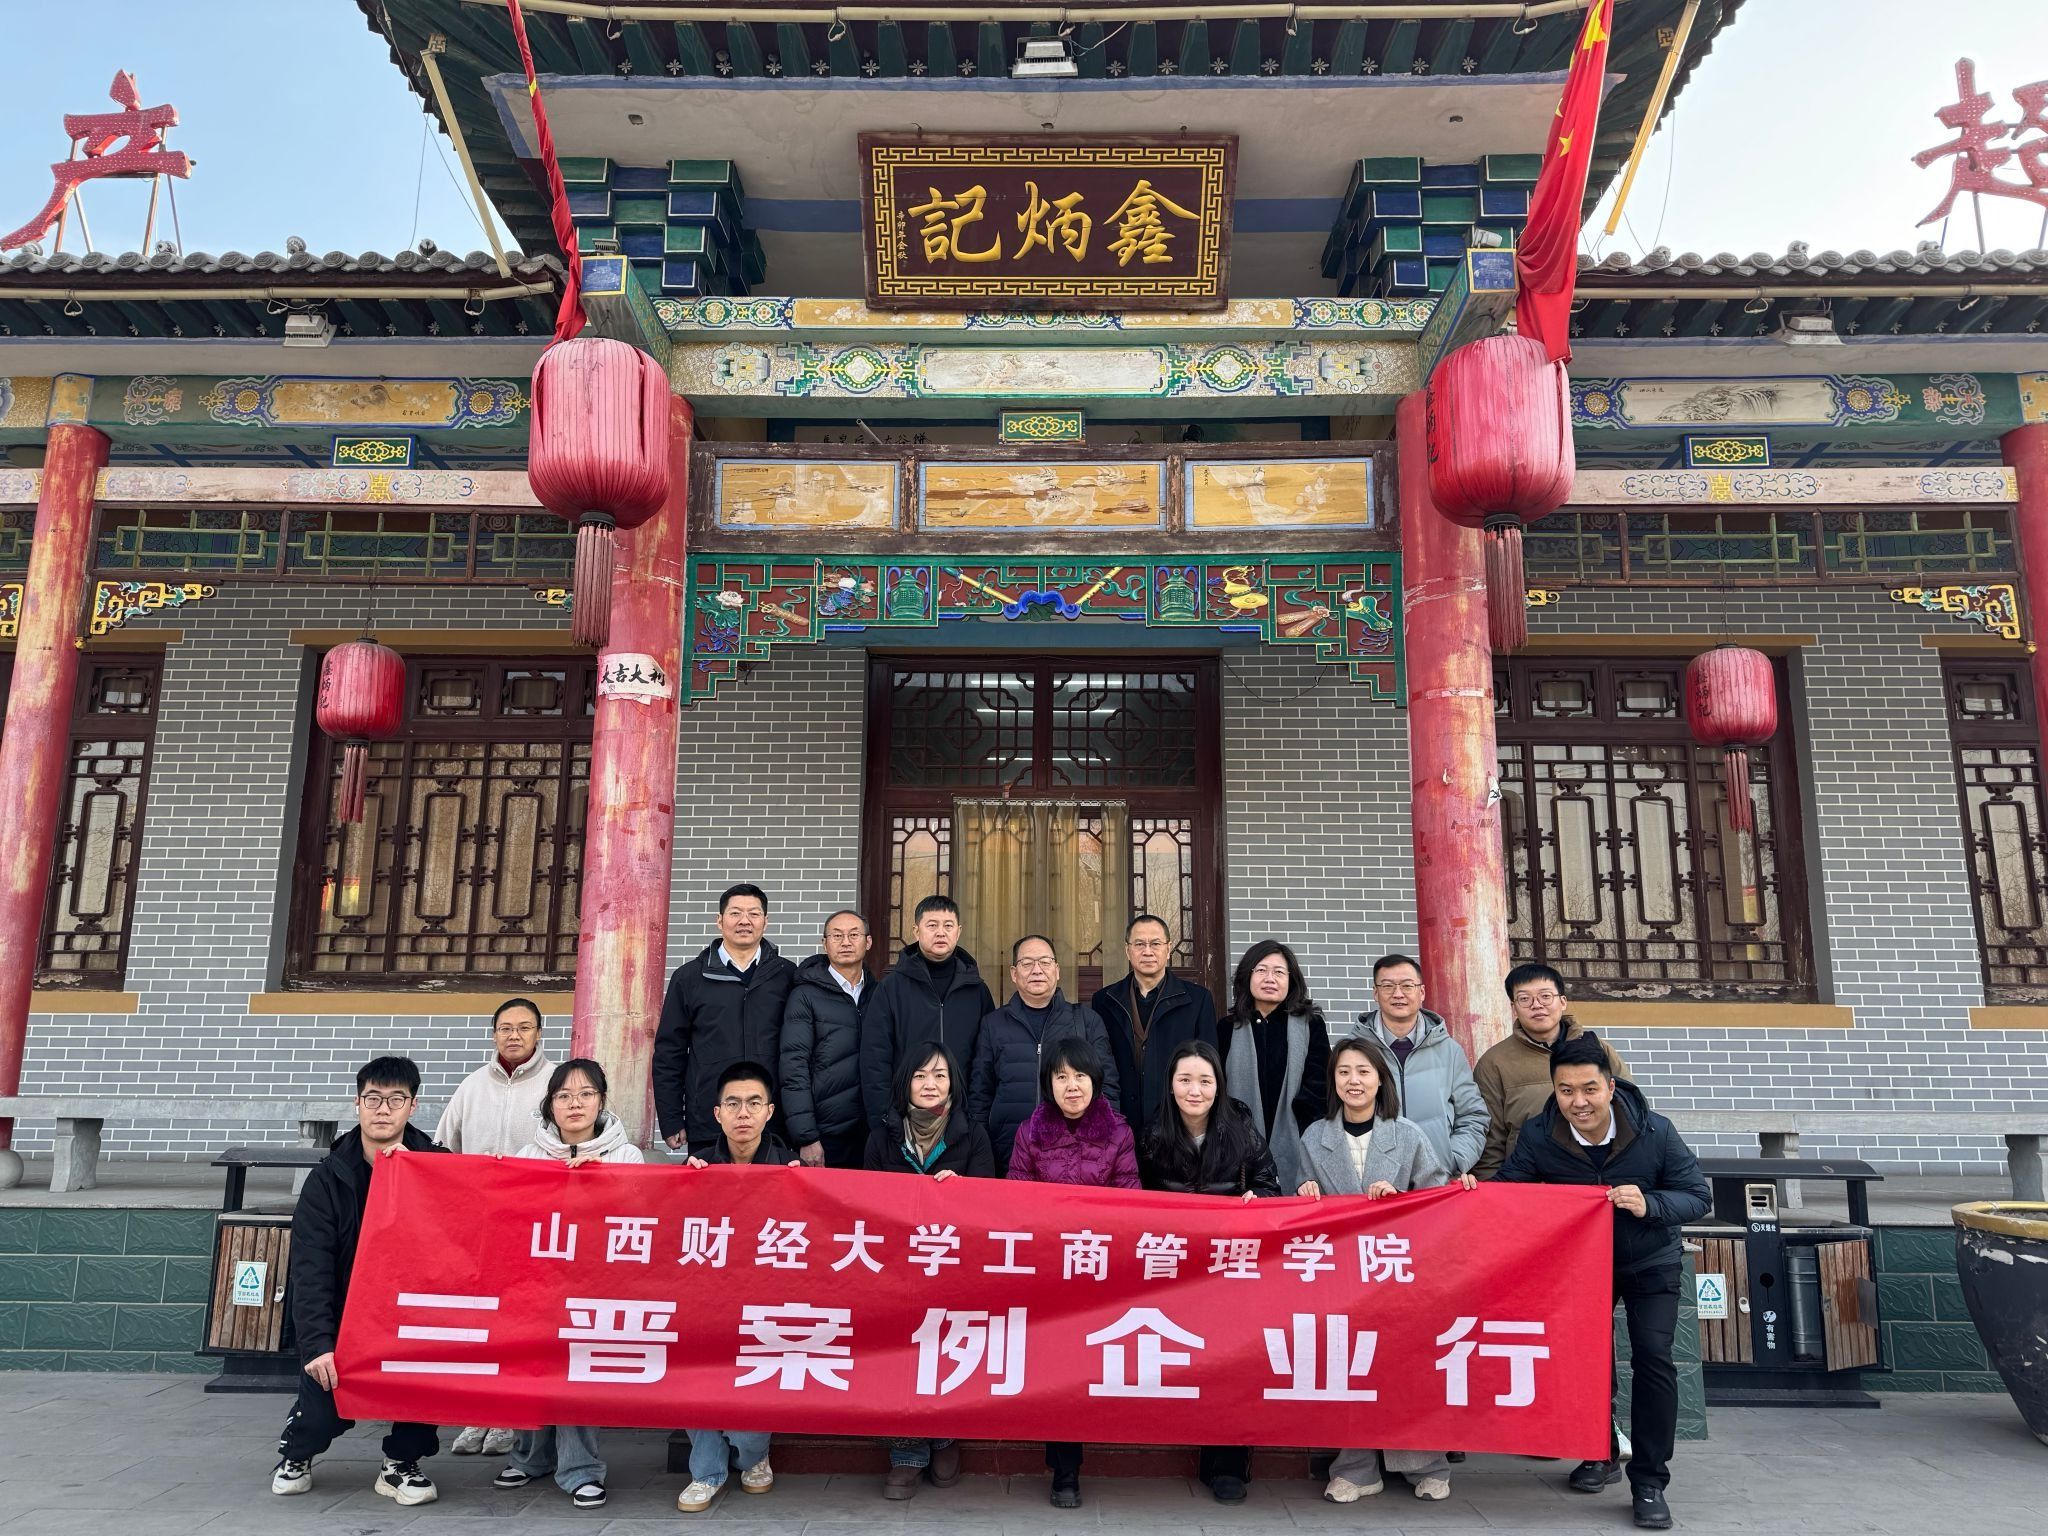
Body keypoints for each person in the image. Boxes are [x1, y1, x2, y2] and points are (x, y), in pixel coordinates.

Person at [1494, 1032, 1709, 1532]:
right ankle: (1600, 1450)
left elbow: (1698, 1196)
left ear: (1611, 1087)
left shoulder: (1654, 1130)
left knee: (1653, 1357)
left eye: (1589, 1089)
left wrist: (1650, 1204)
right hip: (1581, 1267)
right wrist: (1467, 1189)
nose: (1578, 1102)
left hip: (1651, 1261)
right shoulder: (1540, 1133)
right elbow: (1506, 1192)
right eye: (1566, 1090)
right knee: (1585, 1360)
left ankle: (1649, 1480)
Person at [1297, 1035, 1476, 1504]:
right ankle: (1355, 1468)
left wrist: (1400, 1203)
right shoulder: (1314, 1137)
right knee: (1350, 1366)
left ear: (1381, 1079)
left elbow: (1435, 1200)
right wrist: (1306, 1192)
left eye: (1363, 1071)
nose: (1353, 1081)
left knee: (1405, 1366)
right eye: (1343, 1072)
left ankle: (1426, 1464)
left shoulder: (1408, 1134)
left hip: (1398, 1270)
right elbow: (1300, 1199)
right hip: (1339, 1274)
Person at [271, 1056, 445, 1506]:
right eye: (373, 1099)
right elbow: (310, 1268)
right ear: (357, 1104)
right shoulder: (327, 1179)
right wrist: (318, 1344)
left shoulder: (441, 1168)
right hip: (346, 1316)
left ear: (413, 1106)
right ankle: (297, 1452)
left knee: (426, 1384)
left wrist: (423, 1179)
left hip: (412, 1315)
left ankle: (401, 1463)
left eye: (396, 1100)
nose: (383, 1109)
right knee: (323, 1412)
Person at [495, 1059, 643, 1511]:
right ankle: (529, 1457)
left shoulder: (626, 1156)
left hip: (596, 1284)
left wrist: (603, 1182)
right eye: (564, 1096)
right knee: (531, 1368)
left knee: (575, 1373)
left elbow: (641, 1219)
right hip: (537, 1282)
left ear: (601, 1101)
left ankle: (581, 1470)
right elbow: (512, 1217)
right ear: (550, 1105)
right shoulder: (529, 1155)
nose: (575, 1104)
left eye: (585, 1094)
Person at [1139, 1040, 1280, 1504]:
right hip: (1173, 1266)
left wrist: (1258, 1199)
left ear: (1218, 1085)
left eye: (1204, 1080)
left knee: (1229, 1361)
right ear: (1171, 1085)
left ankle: (1228, 1463)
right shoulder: (1153, 1133)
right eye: (1185, 1080)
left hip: (1228, 1266)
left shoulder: (1240, 1127)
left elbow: (1269, 1183)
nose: (1194, 1090)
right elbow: (1133, 1200)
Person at [1008, 1036, 1141, 1509]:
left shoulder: (1119, 1133)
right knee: (1058, 1368)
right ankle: (1065, 1470)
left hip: (1099, 1267)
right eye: (1061, 1076)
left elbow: (1130, 1201)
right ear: (1048, 1083)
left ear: (1095, 1081)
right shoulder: (1030, 1132)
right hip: (1047, 1269)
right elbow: (1015, 1202)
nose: (1071, 1086)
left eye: (1080, 1075)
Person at [863, 1041, 994, 1498]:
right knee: (899, 1350)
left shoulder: (973, 1136)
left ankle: (944, 1434)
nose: (930, 1084)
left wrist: (962, 1191)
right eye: (920, 1075)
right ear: (905, 1084)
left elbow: (990, 1209)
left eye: (939, 1075)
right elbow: (866, 1209)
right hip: (895, 1271)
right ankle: (906, 1450)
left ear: (953, 1083)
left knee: (947, 1346)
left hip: (953, 1269)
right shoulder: (881, 1138)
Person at [677, 1061, 800, 1512]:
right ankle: (706, 1472)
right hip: (708, 1302)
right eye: (733, 1104)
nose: (743, 1113)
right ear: (717, 1114)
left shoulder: (792, 1170)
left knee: (751, 1394)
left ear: (769, 1111)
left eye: (753, 1103)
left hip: (766, 1302)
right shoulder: (697, 1167)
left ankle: (753, 1454)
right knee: (696, 1376)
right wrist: (684, 1187)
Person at [436, 996, 554, 1459]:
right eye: (506, 1027)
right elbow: (443, 1150)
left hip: (534, 1223)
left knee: (520, 1322)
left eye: (524, 1027)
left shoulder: (555, 1084)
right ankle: (476, 1413)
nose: (514, 1035)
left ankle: (507, 1416)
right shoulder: (471, 1087)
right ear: (494, 1034)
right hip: (480, 1224)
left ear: (539, 1033)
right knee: (480, 1320)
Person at [654, 883, 797, 1156]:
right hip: (709, 1117)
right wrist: (671, 1117)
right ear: (719, 921)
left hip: (772, 1119)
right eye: (735, 913)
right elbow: (669, 1052)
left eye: (754, 914)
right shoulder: (689, 977)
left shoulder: (787, 975)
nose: (745, 921)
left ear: (766, 921)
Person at [969, 934, 1120, 1170]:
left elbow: (1107, 1086)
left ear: (1057, 970)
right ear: (1014, 973)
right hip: (1008, 1152)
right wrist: (981, 1150)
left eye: (1045, 962)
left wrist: (1100, 1147)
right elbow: (980, 1093)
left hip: (1076, 1158)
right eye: (1027, 963)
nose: (1037, 970)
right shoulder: (993, 1024)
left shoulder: (1086, 1021)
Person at [1473, 962, 1630, 1178]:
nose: (1537, 1005)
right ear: (1514, 1007)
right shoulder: (1494, 1062)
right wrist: (1492, 1187)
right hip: (1530, 1179)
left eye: (1545, 996)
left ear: (1562, 1001)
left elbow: (1630, 1110)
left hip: (1598, 1173)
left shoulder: (1598, 1049)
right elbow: (1490, 1140)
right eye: (1525, 999)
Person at [859, 894, 994, 1127]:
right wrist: (884, 1119)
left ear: (958, 932)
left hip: (961, 1118)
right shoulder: (891, 988)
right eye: (932, 925)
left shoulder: (977, 990)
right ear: (916, 931)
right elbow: (875, 1060)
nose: (941, 933)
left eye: (948, 926)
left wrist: (975, 1118)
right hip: (904, 1117)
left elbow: (985, 1062)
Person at [1352, 954, 1488, 1177]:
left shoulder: (1449, 1050)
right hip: (1373, 1182)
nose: (1398, 994)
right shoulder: (1352, 1051)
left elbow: (1472, 1115)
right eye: (1388, 986)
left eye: (1407, 986)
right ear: (1375, 993)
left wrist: (1453, 1160)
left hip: (1437, 1179)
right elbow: (1335, 1115)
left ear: (1422, 992)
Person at [1088, 912, 1219, 1135]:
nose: (1147, 951)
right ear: (1127, 950)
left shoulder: (1197, 1000)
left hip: (1176, 1120)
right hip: (1120, 1119)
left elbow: (1209, 1064)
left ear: (1168, 949)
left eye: (1156, 944)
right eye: (1139, 944)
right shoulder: (1104, 1000)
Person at [1215, 940, 1329, 1192]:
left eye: (1279, 972)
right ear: (1247, 976)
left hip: (1298, 1141)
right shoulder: (1226, 1028)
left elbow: (1319, 1087)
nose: (1270, 978)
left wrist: (1303, 1127)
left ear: (1291, 979)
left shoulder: (1311, 1025)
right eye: (1261, 970)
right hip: (1236, 1144)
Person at [780, 908, 874, 1169]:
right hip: (825, 1132)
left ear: (868, 942)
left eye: (854, 934)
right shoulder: (805, 996)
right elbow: (793, 1067)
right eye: (837, 935)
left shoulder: (879, 994)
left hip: (871, 1131)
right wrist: (806, 1135)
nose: (846, 942)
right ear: (825, 944)